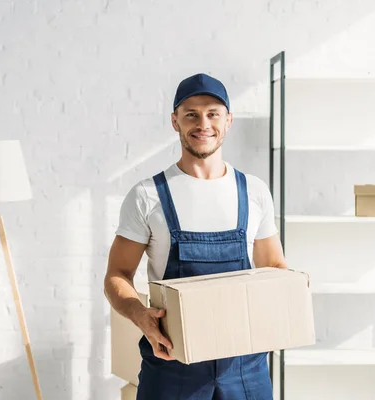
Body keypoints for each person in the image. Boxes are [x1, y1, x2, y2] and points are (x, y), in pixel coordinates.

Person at [103, 73, 288, 400]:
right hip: (172, 365)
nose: (203, 123)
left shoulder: (255, 192)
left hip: (246, 368)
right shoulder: (147, 196)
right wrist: (139, 315)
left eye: (213, 113)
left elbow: (274, 265)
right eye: (191, 114)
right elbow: (117, 275)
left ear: (228, 121)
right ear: (175, 121)